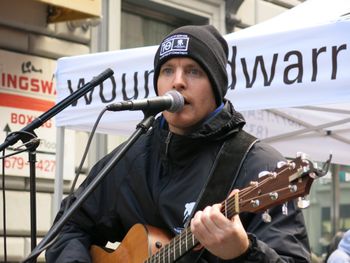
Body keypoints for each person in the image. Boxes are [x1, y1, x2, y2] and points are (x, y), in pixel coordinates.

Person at [46, 25, 311, 262]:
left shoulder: (260, 165)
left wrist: (243, 253)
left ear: (217, 87)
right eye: (167, 70)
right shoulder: (133, 156)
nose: (178, 81)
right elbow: (66, 229)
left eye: (194, 71)